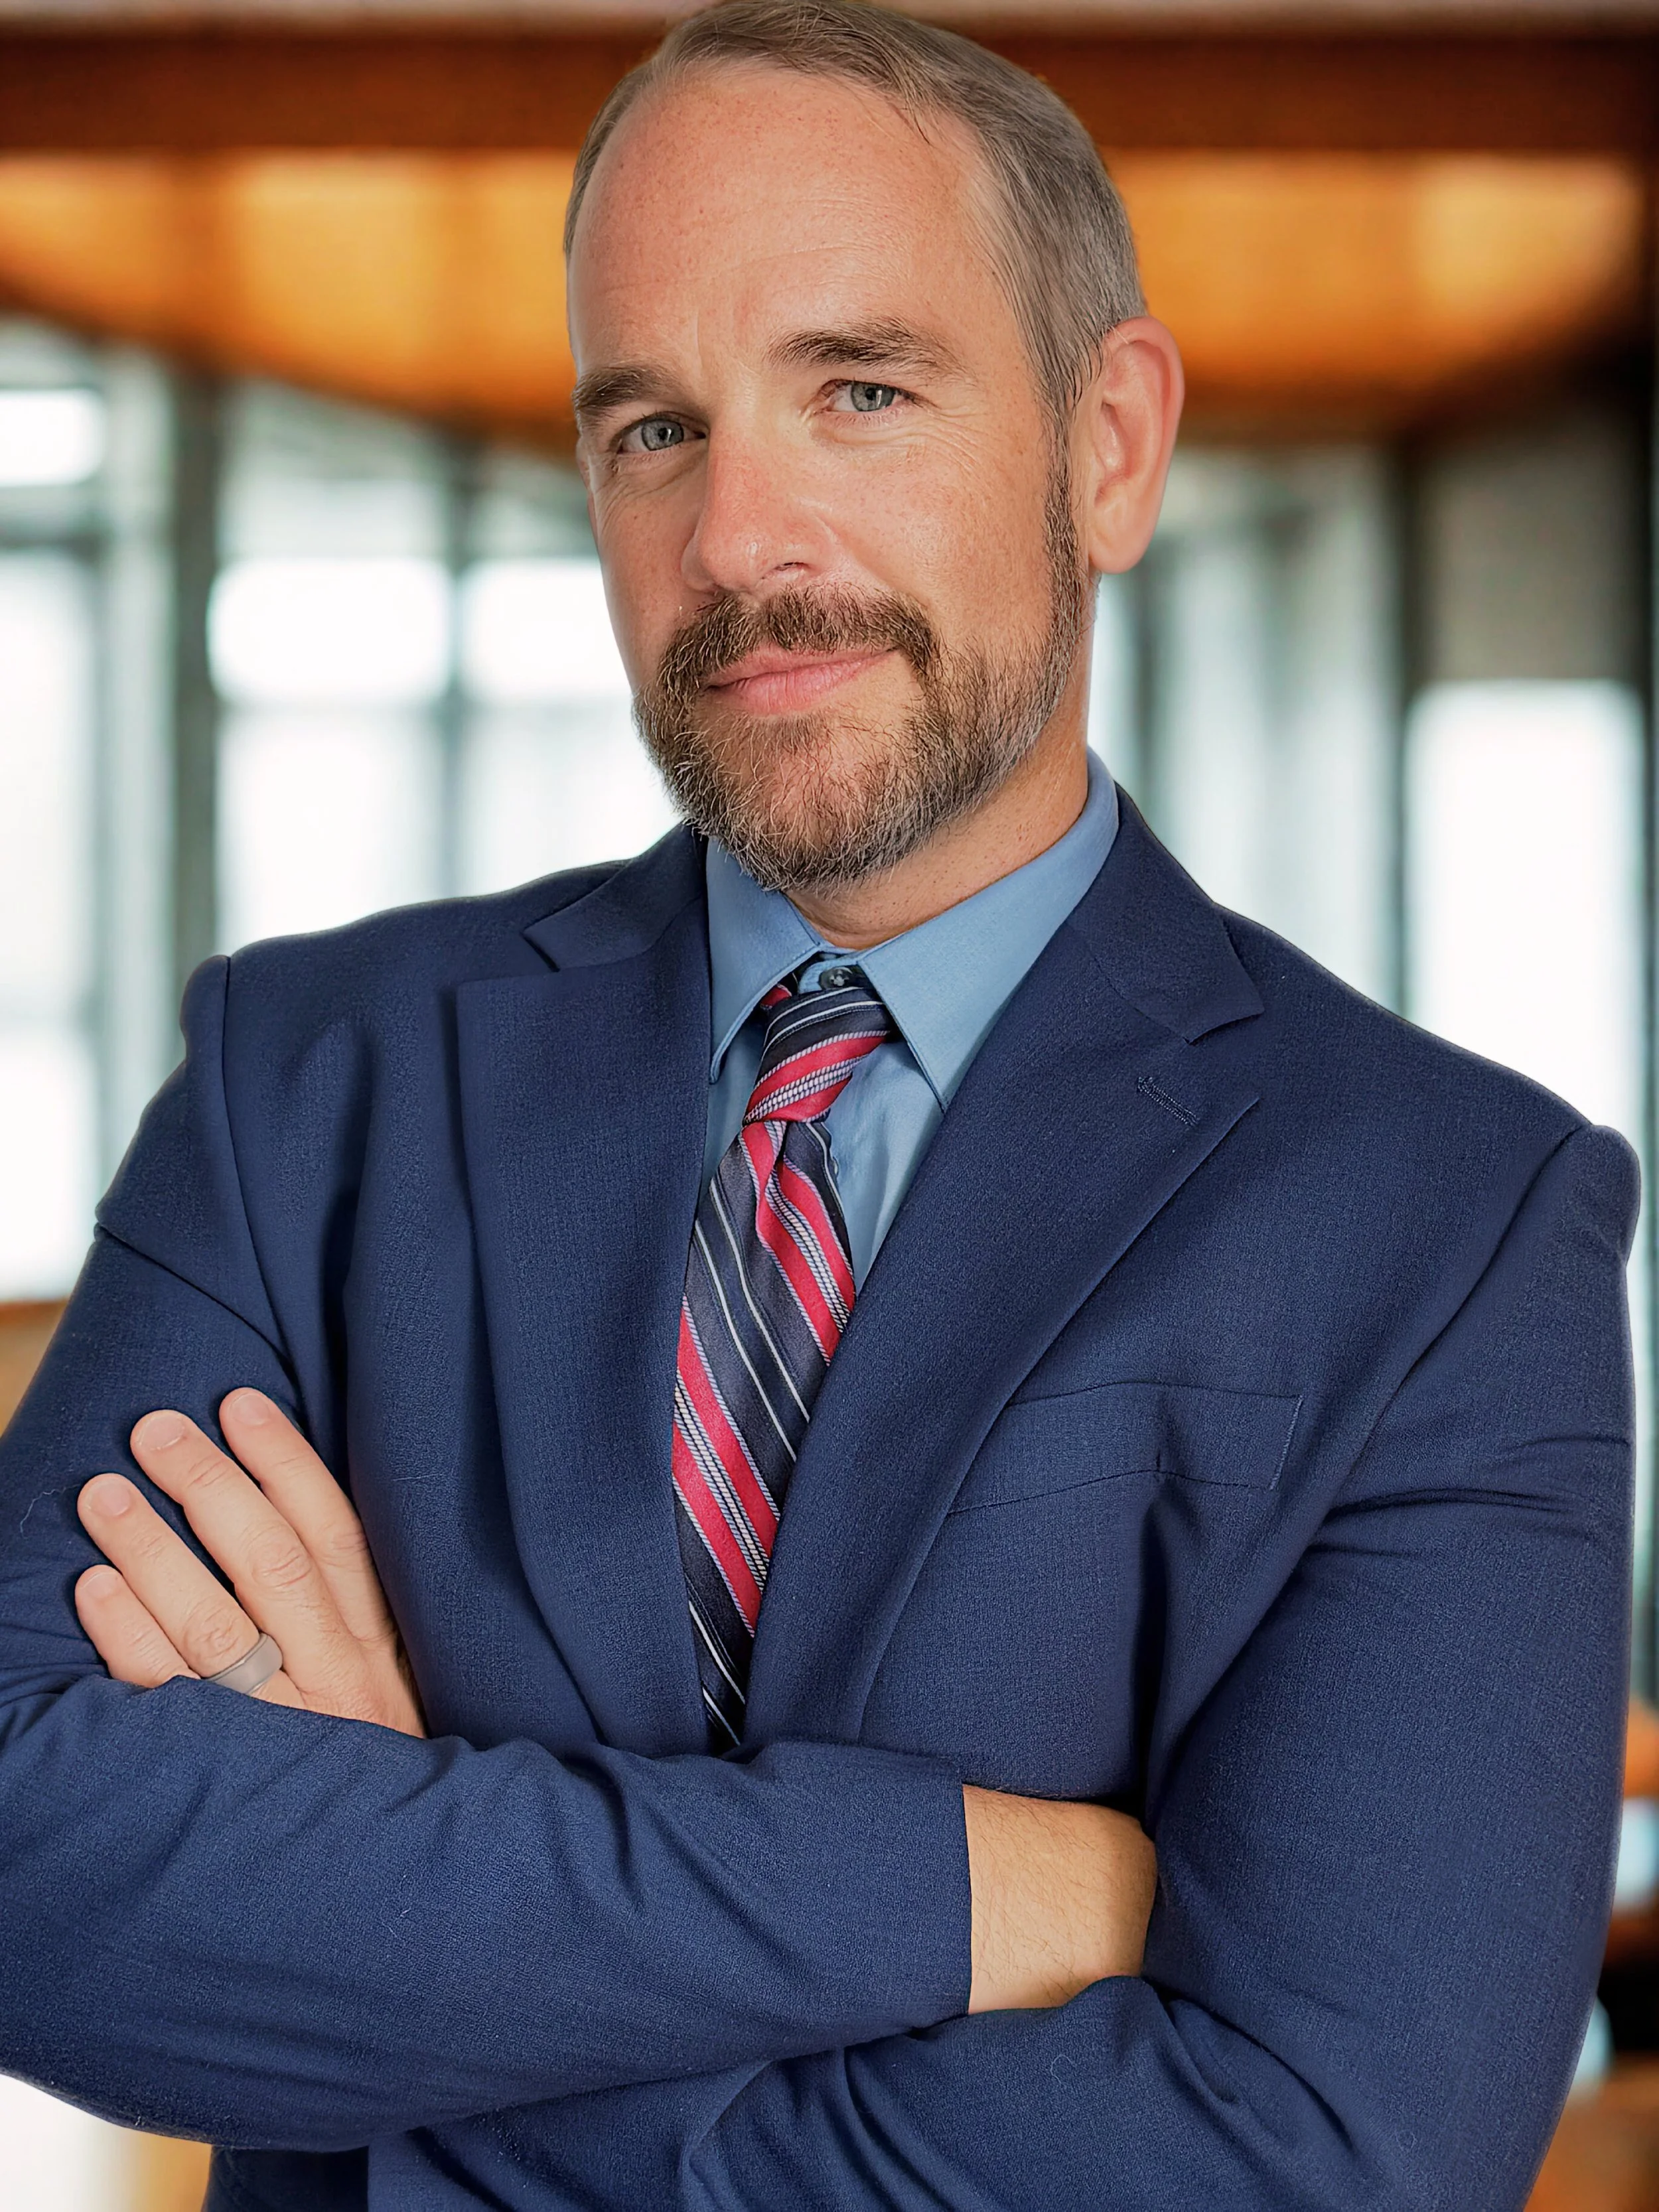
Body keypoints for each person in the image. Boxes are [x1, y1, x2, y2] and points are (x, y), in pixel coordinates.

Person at [0, 3, 1636, 2205]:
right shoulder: (313, 1084)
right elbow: (29, 1857)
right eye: (649, 426)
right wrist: (976, 1887)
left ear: (1108, 448)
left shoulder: (1450, 1223)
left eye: (857, 390)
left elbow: (1326, 2154)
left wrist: (403, 1953)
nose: (738, 530)